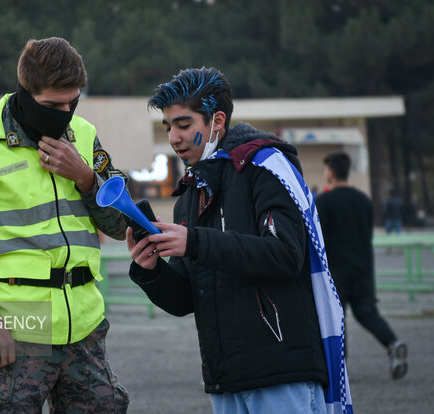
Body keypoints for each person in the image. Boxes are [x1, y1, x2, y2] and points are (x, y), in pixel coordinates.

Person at [126, 67, 352, 414]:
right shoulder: (189, 194)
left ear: (217, 121)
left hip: (282, 373)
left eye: (183, 125)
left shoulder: (265, 166)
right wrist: (151, 269)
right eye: (168, 126)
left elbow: (284, 253)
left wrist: (196, 242)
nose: (173, 137)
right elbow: (186, 297)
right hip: (224, 379)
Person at [0, 37, 129, 413]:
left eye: (73, 101)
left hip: (85, 330)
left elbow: (120, 225)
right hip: (18, 332)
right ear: (25, 91)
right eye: (53, 105)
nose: (66, 112)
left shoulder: (83, 135)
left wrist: (85, 178)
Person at [316, 151, 408, 380]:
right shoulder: (364, 201)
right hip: (363, 269)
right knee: (366, 312)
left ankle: (340, 368)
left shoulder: (324, 202)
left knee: (337, 317)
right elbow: (366, 236)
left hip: (336, 271)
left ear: (332, 172)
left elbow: (321, 240)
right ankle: (392, 344)